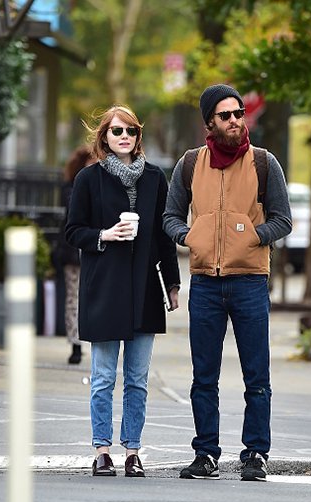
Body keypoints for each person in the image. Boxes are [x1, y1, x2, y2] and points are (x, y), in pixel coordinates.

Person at [163, 84, 292, 481]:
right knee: (204, 377)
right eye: (226, 115)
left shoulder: (264, 163)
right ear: (210, 123)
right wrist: (189, 236)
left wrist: (251, 236)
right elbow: (169, 217)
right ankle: (206, 454)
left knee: (257, 376)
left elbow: (283, 220)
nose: (236, 120)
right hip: (204, 284)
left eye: (238, 113)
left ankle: (255, 453)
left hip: (250, 282)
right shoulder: (189, 164)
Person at [66, 105, 180, 478]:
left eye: (130, 130)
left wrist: (173, 284)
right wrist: (104, 235)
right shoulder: (88, 179)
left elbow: (165, 235)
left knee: (137, 379)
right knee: (102, 378)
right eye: (116, 131)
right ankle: (102, 450)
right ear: (104, 137)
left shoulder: (154, 178)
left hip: (145, 288)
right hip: (104, 288)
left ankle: (132, 450)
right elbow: (73, 231)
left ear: (138, 136)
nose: (124, 137)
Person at [56, 145, 97, 364]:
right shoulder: (70, 188)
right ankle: (75, 344)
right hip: (74, 252)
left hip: (97, 250)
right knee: (73, 297)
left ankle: (93, 340)